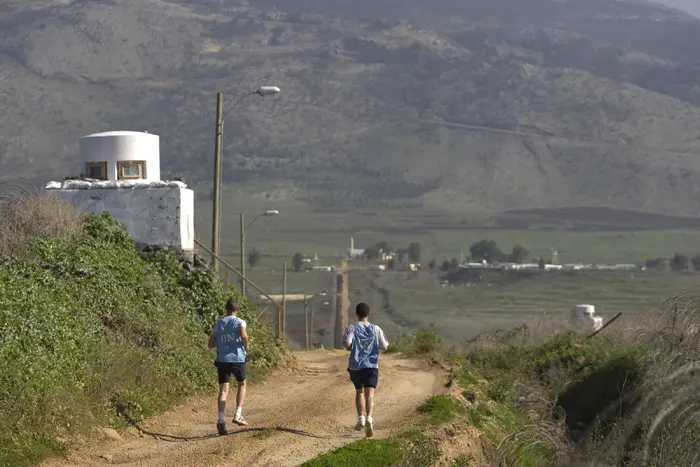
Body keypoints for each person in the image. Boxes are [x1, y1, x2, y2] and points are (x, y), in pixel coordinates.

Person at [343, 302, 389, 438]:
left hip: (356, 366)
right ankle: (369, 417)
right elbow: (385, 346)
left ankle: (360, 419)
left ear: (357, 314)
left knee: (359, 391)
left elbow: (346, 344)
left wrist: (353, 346)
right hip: (371, 365)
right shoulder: (376, 329)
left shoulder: (351, 328)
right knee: (370, 393)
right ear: (368, 314)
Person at [208, 298, 249, 435]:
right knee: (242, 384)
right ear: (237, 310)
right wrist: (246, 346)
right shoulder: (240, 322)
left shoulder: (219, 324)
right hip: (237, 359)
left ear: (226, 309)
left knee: (223, 391)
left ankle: (220, 420)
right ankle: (238, 413)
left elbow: (211, 343)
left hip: (222, 360)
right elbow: (243, 335)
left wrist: (222, 341)